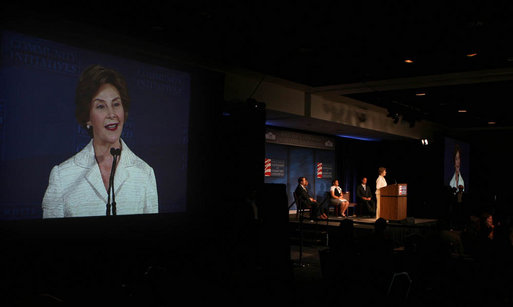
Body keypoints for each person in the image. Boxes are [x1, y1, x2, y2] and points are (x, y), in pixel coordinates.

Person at [42, 65, 158, 218]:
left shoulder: (144, 174)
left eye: (116, 104)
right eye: (101, 106)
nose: (112, 114)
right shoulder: (62, 177)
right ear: (87, 117)